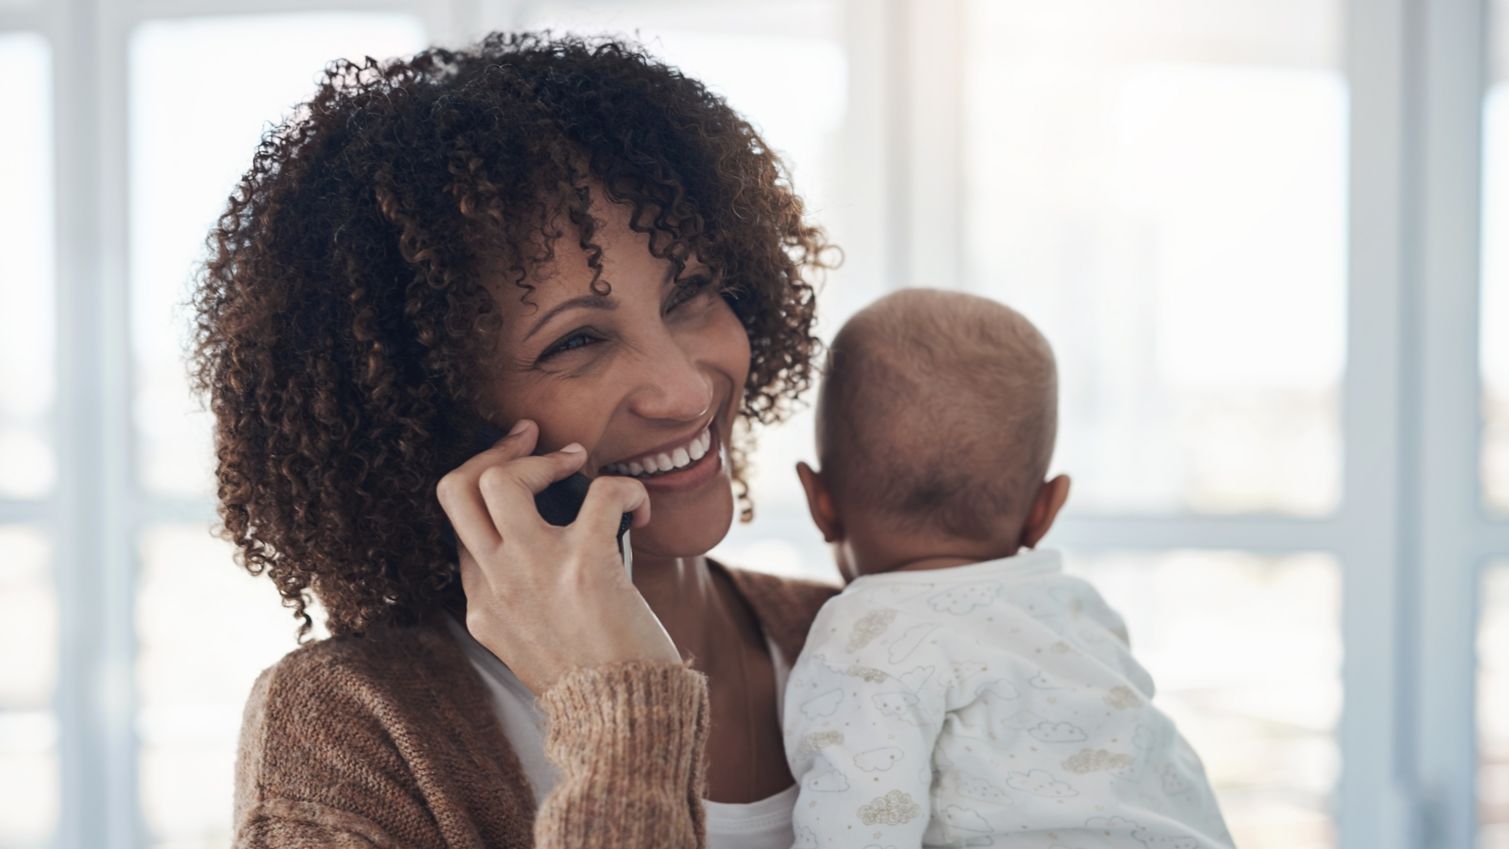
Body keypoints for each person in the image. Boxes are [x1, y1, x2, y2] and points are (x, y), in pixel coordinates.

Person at [187, 31, 842, 848]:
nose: (683, 391)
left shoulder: (857, 633)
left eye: (693, 294)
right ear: (436, 413)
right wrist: (620, 710)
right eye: (575, 343)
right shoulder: (353, 726)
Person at [782, 289, 1234, 848]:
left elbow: (856, 829)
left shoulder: (864, 632)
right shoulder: (1079, 611)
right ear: (1045, 510)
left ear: (819, 502)